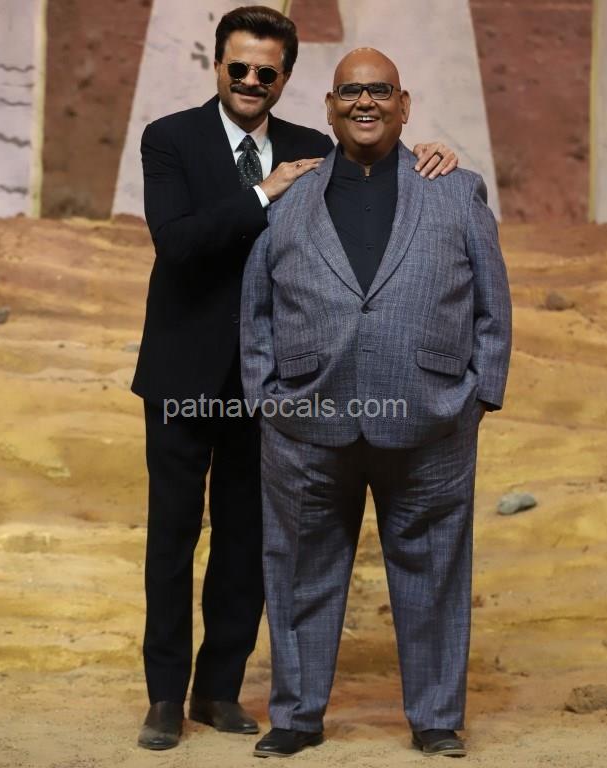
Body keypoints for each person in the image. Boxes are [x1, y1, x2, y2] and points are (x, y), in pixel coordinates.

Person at [133, 5, 458, 751]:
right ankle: (164, 696)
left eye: (266, 72)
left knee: (249, 539)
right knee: (173, 538)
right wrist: (263, 193)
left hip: (275, 383)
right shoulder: (170, 139)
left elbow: (376, 158)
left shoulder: (313, 144)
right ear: (217, 66)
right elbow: (176, 243)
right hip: (182, 378)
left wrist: (435, 153)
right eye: (239, 68)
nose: (251, 81)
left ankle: (219, 689)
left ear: (285, 78)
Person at [241, 47, 512, 759]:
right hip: (304, 422)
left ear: (404, 104)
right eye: (350, 91)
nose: (365, 101)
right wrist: (265, 397)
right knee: (299, 571)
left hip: (431, 419)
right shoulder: (289, 194)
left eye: (380, 90)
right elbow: (257, 309)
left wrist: (479, 394)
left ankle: (435, 719)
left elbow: (492, 302)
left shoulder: (455, 190)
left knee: (434, 573)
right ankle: (297, 717)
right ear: (329, 108)